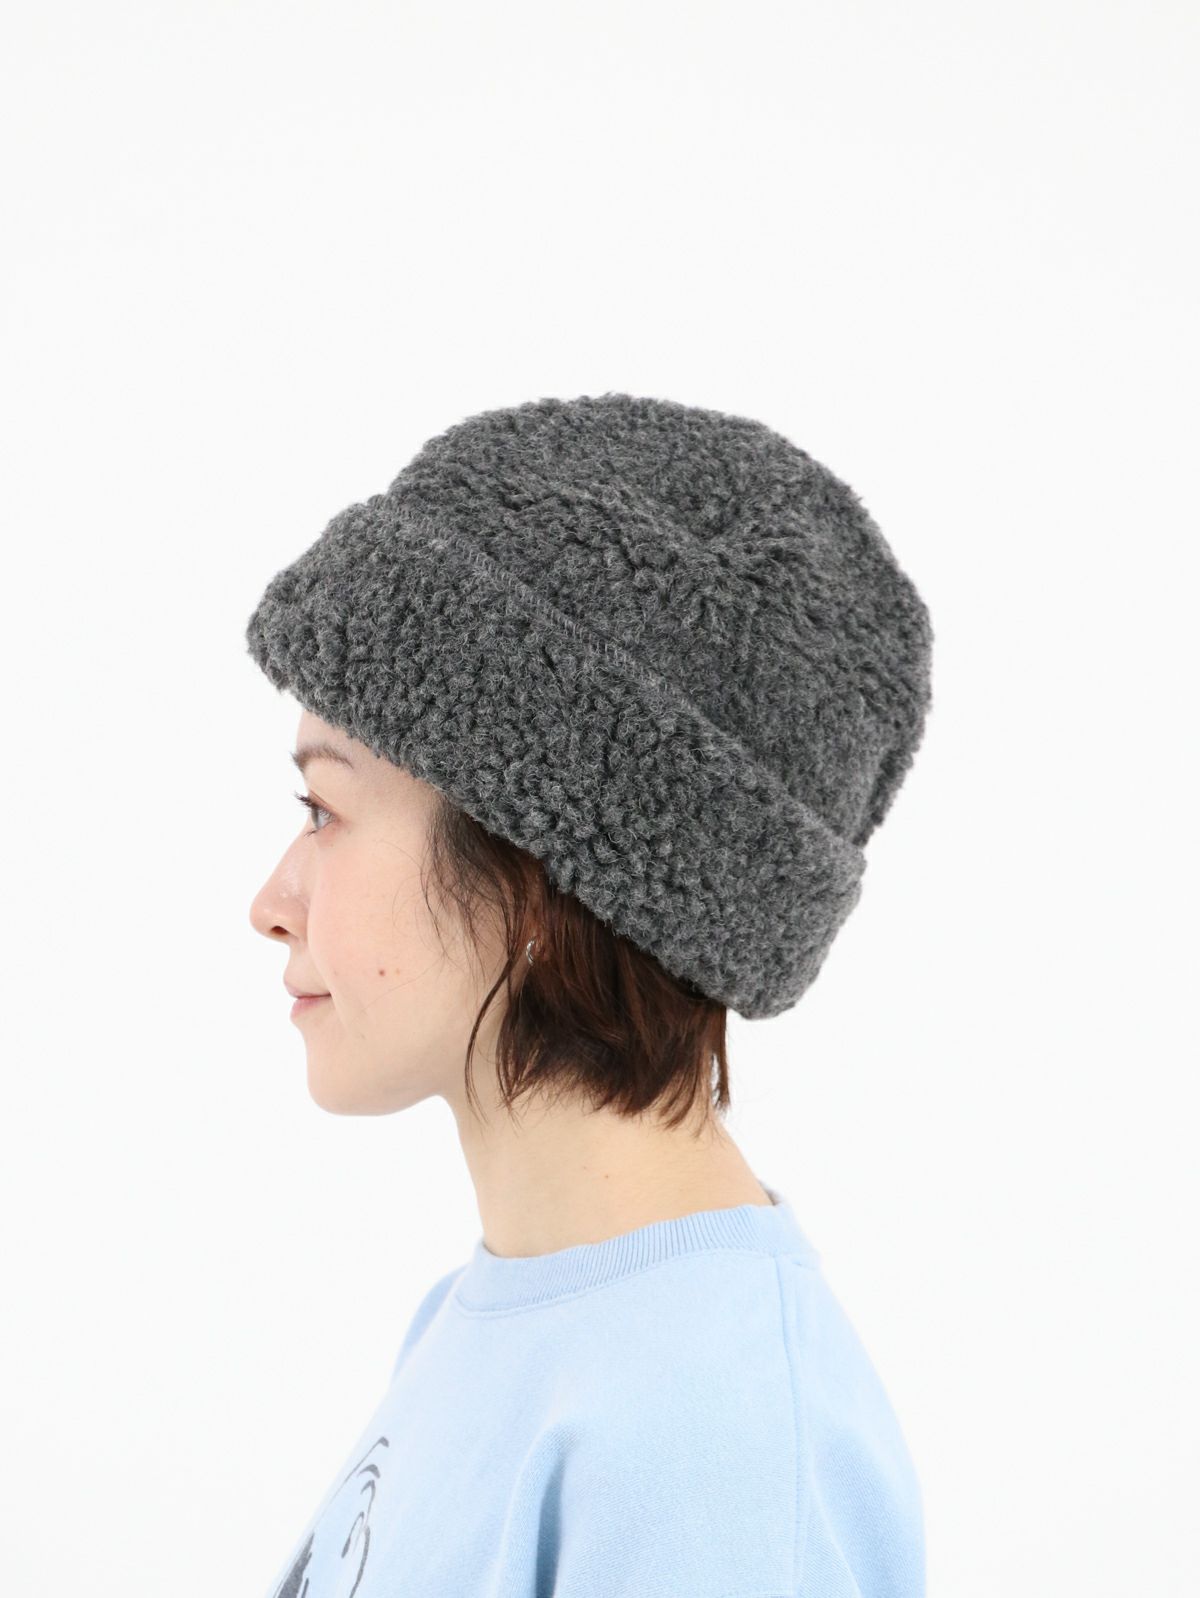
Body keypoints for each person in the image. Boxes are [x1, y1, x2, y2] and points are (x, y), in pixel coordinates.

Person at [245, 391, 934, 1598]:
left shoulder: (715, 1442)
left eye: (325, 810)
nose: (271, 900)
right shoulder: (487, 1319)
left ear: (536, 864)